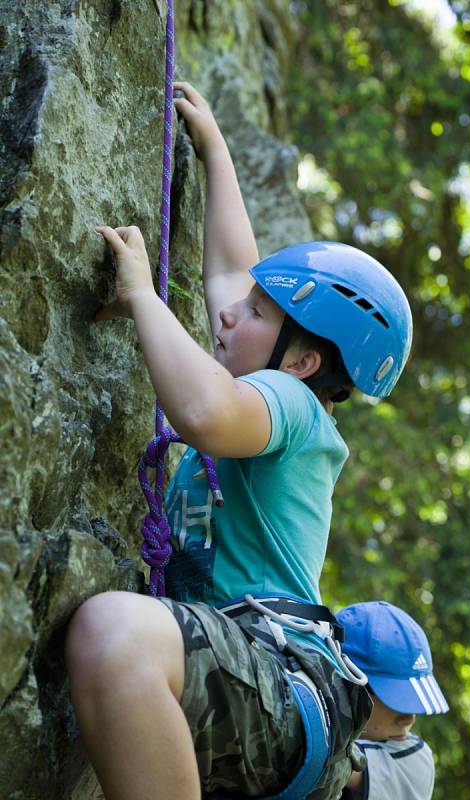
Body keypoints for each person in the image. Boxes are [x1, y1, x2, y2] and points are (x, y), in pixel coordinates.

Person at [65, 82, 412, 800]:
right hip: (255, 693)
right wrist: (214, 151)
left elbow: (203, 411)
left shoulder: (294, 406)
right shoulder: (280, 375)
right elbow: (232, 274)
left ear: (303, 360)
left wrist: (141, 295)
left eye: (255, 313)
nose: (226, 317)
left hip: (281, 679)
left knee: (114, 635)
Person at [337, 602, 449, 800]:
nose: (409, 719)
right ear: (349, 687)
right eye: (396, 701)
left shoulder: (415, 758)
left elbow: (332, 764)